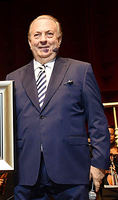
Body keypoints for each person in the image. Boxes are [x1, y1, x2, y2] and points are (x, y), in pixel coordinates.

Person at [6, 15, 110, 199]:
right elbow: (4, 128)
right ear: (30, 42)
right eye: (37, 35)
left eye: (49, 34)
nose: (43, 39)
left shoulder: (81, 70)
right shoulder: (12, 79)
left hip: (72, 172)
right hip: (27, 175)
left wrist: (100, 163)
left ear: (59, 39)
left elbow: (98, 121)